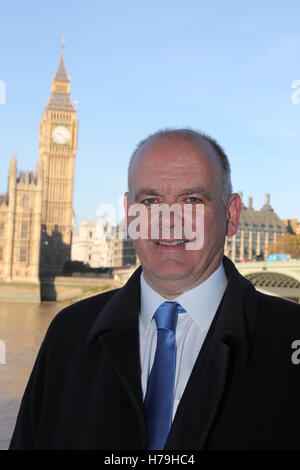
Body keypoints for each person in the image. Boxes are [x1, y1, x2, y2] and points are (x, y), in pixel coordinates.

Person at [9, 129, 300, 450]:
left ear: (231, 216)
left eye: (192, 200)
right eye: (150, 201)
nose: (168, 221)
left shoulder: (290, 337)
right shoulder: (67, 333)